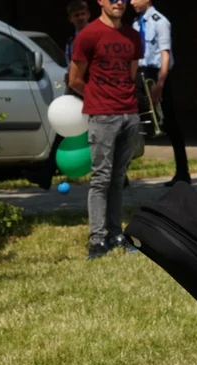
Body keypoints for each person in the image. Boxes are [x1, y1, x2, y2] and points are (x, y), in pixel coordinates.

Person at [70, 0, 143, 260]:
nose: (119, 2)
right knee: (101, 178)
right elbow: (75, 79)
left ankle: (115, 233)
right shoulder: (88, 35)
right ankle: (97, 239)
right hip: (102, 115)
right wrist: (97, 98)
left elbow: (131, 74)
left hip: (128, 113)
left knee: (118, 177)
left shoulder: (133, 36)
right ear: (100, 1)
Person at [25, 0, 91, 191]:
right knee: (63, 131)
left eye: (83, 14)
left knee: (101, 133)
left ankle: (121, 176)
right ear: (70, 19)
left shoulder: (94, 36)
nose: (80, 18)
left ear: (88, 14)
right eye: (76, 15)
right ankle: (45, 176)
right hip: (75, 89)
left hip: (90, 89)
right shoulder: (72, 41)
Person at [131, 0, 190, 186]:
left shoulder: (160, 21)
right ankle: (121, 173)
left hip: (156, 74)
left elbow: (165, 53)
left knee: (170, 122)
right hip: (138, 74)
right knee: (128, 121)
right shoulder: (135, 23)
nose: (131, 2)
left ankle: (183, 172)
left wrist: (161, 82)